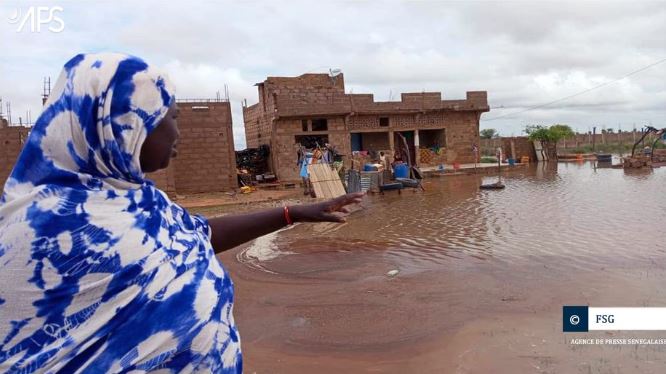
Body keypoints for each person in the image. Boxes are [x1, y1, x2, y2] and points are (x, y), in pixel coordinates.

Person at [0, 53, 363, 373]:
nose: (179, 132)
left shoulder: (140, 202)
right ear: (125, 125)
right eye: (169, 117)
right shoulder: (35, 230)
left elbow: (193, 236)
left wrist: (293, 213)